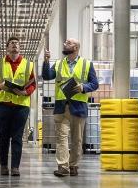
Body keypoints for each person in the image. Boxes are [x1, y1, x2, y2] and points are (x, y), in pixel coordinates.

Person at [41, 38, 98, 177]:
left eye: (68, 43)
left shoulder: (87, 64)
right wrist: (46, 62)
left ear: (76, 47)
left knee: (76, 139)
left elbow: (94, 84)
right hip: (61, 107)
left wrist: (84, 87)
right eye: (65, 42)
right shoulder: (59, 64)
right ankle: (63, 167)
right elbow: (47, 76)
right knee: (61, 138)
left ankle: (73, 165)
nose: (65, 44)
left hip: (78, 106)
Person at [0, 37, 36, 177]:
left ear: (20, 48)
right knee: (3, 136)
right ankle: (3, 166)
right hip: (4, 105)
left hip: (21, 105)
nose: (15, 45)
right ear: (7, 48)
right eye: (11, 44)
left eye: (17, 44)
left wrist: (25, 92)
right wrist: (1, 86)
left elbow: (32, 83)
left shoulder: (28, 64)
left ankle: (15, 167)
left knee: (17, 137)